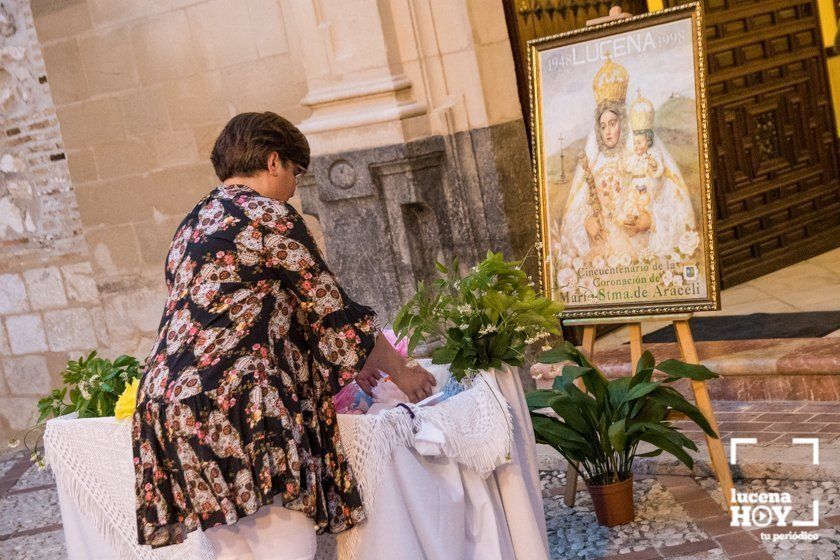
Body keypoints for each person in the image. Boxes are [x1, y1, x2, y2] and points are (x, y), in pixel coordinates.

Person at [131, 112, 436, 558]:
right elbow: (331, 309)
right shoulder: (269, 215)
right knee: (286, 547)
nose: (295, 187)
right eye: (296, 172)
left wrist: (352, 365)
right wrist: (403, 372)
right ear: (275, 162)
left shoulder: (192, 223)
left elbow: (252, 316)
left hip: (167, 406)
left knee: (237, 554)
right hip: (238, 402)